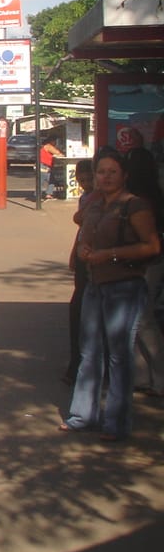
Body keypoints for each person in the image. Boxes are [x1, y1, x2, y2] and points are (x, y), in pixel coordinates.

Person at [59, 151, 160, 441]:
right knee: (89, 353)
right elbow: (84, 238)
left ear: (124, 175)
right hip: (94, 286)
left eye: (112, 172)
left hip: (125, 288)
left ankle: (116, 423)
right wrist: (84, 252)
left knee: (119, 356)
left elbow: (151, 246)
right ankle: (82, 415)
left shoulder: (135, 206)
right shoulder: (94, 206)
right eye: (101, 171)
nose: (105, 177)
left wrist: (110, 255)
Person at [123, 146, 164, 396]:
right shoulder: (156, 192)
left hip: (146, 264)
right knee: (137, 320)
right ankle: (143, 375)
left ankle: (157, 376)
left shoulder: (138, 201)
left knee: (142, 319)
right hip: (152, 263)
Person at [63, 159, 95, 384]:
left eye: (88, 179)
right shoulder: (86, 198)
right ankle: (77, 364)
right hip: (85, 256)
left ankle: (79, 366)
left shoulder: (100, 198)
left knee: (82, 310)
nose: (85, 184)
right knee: (78, 309)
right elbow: (82, 228)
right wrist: (74, 252)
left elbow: (80, 220)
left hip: (96, 260)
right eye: (81, 180)